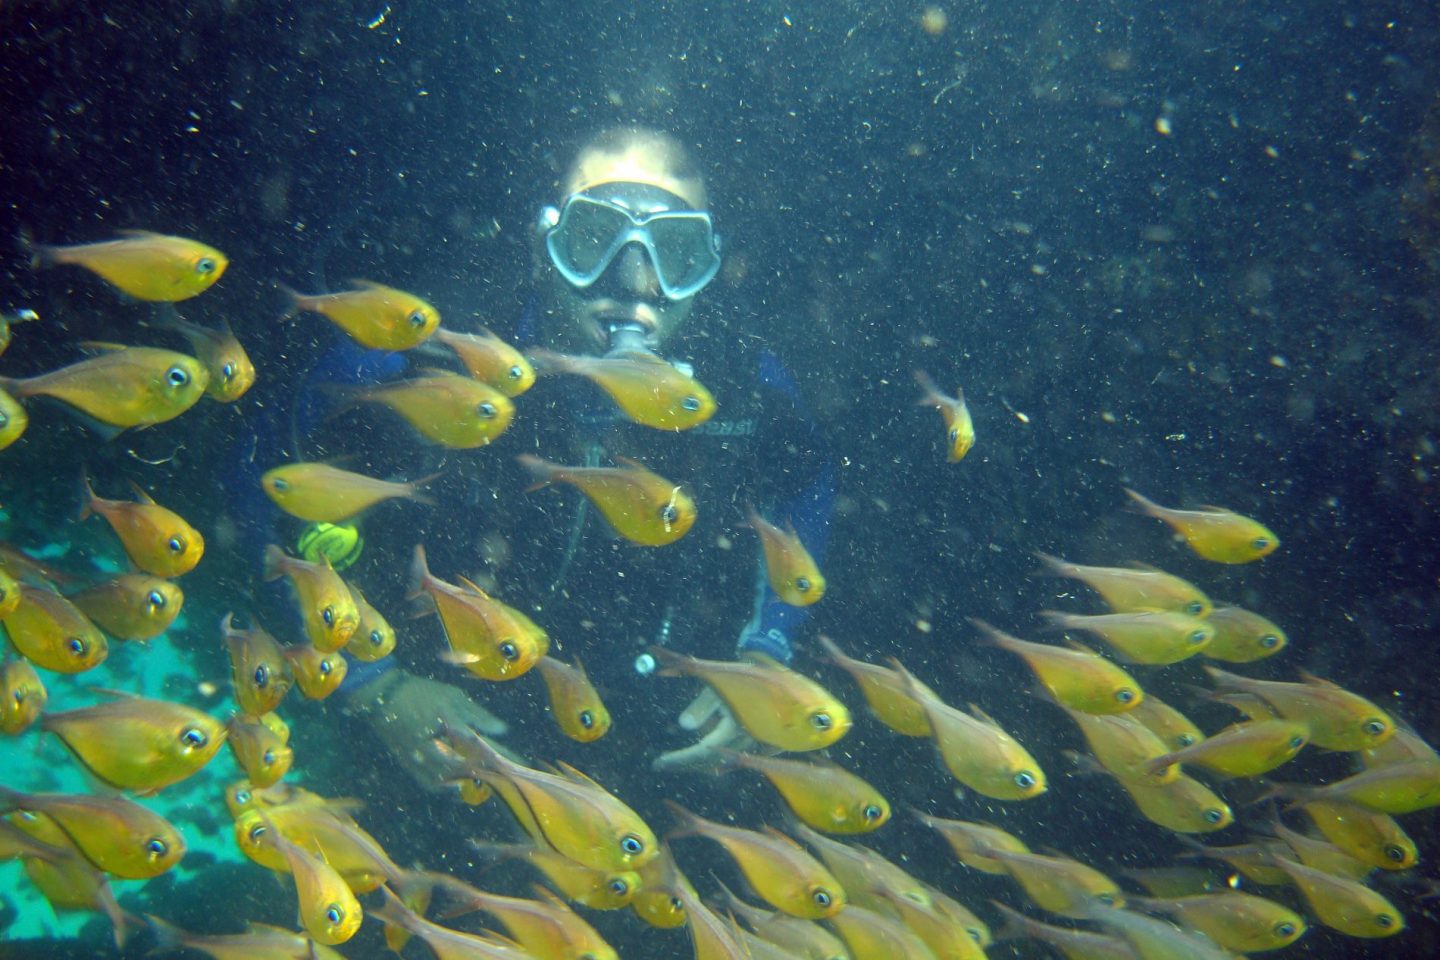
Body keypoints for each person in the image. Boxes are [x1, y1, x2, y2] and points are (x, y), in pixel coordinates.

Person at [259, 127, 836, 783]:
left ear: (709, 266)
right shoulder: (431, 348)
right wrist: (374, 689)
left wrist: (768, 653)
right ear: (544, 244)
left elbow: (804, 490)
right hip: (434, 733)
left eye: (675, 252)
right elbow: (271, 476)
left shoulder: (743, 388)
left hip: (640, 750)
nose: (637, 285)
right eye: (594, 240)